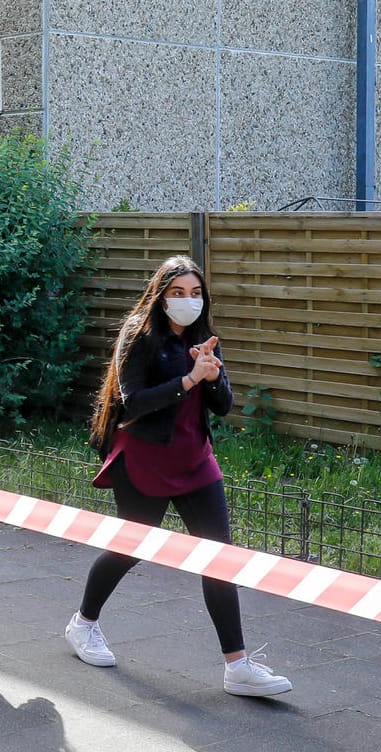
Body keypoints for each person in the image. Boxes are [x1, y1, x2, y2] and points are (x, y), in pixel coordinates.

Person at [65, 255, 291, 696]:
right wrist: (188, 380)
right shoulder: (138, 335)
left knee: (219, 557)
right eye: (177, 293)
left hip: (195, 459)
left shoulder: (205, 338)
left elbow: (223, 406)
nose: (188, 301)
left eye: (195, 293)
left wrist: (210, 376)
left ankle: (238, 666)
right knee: (131, 549)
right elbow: (132, 401)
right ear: (160, 295)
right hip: (146, 459)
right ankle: (82, 624)